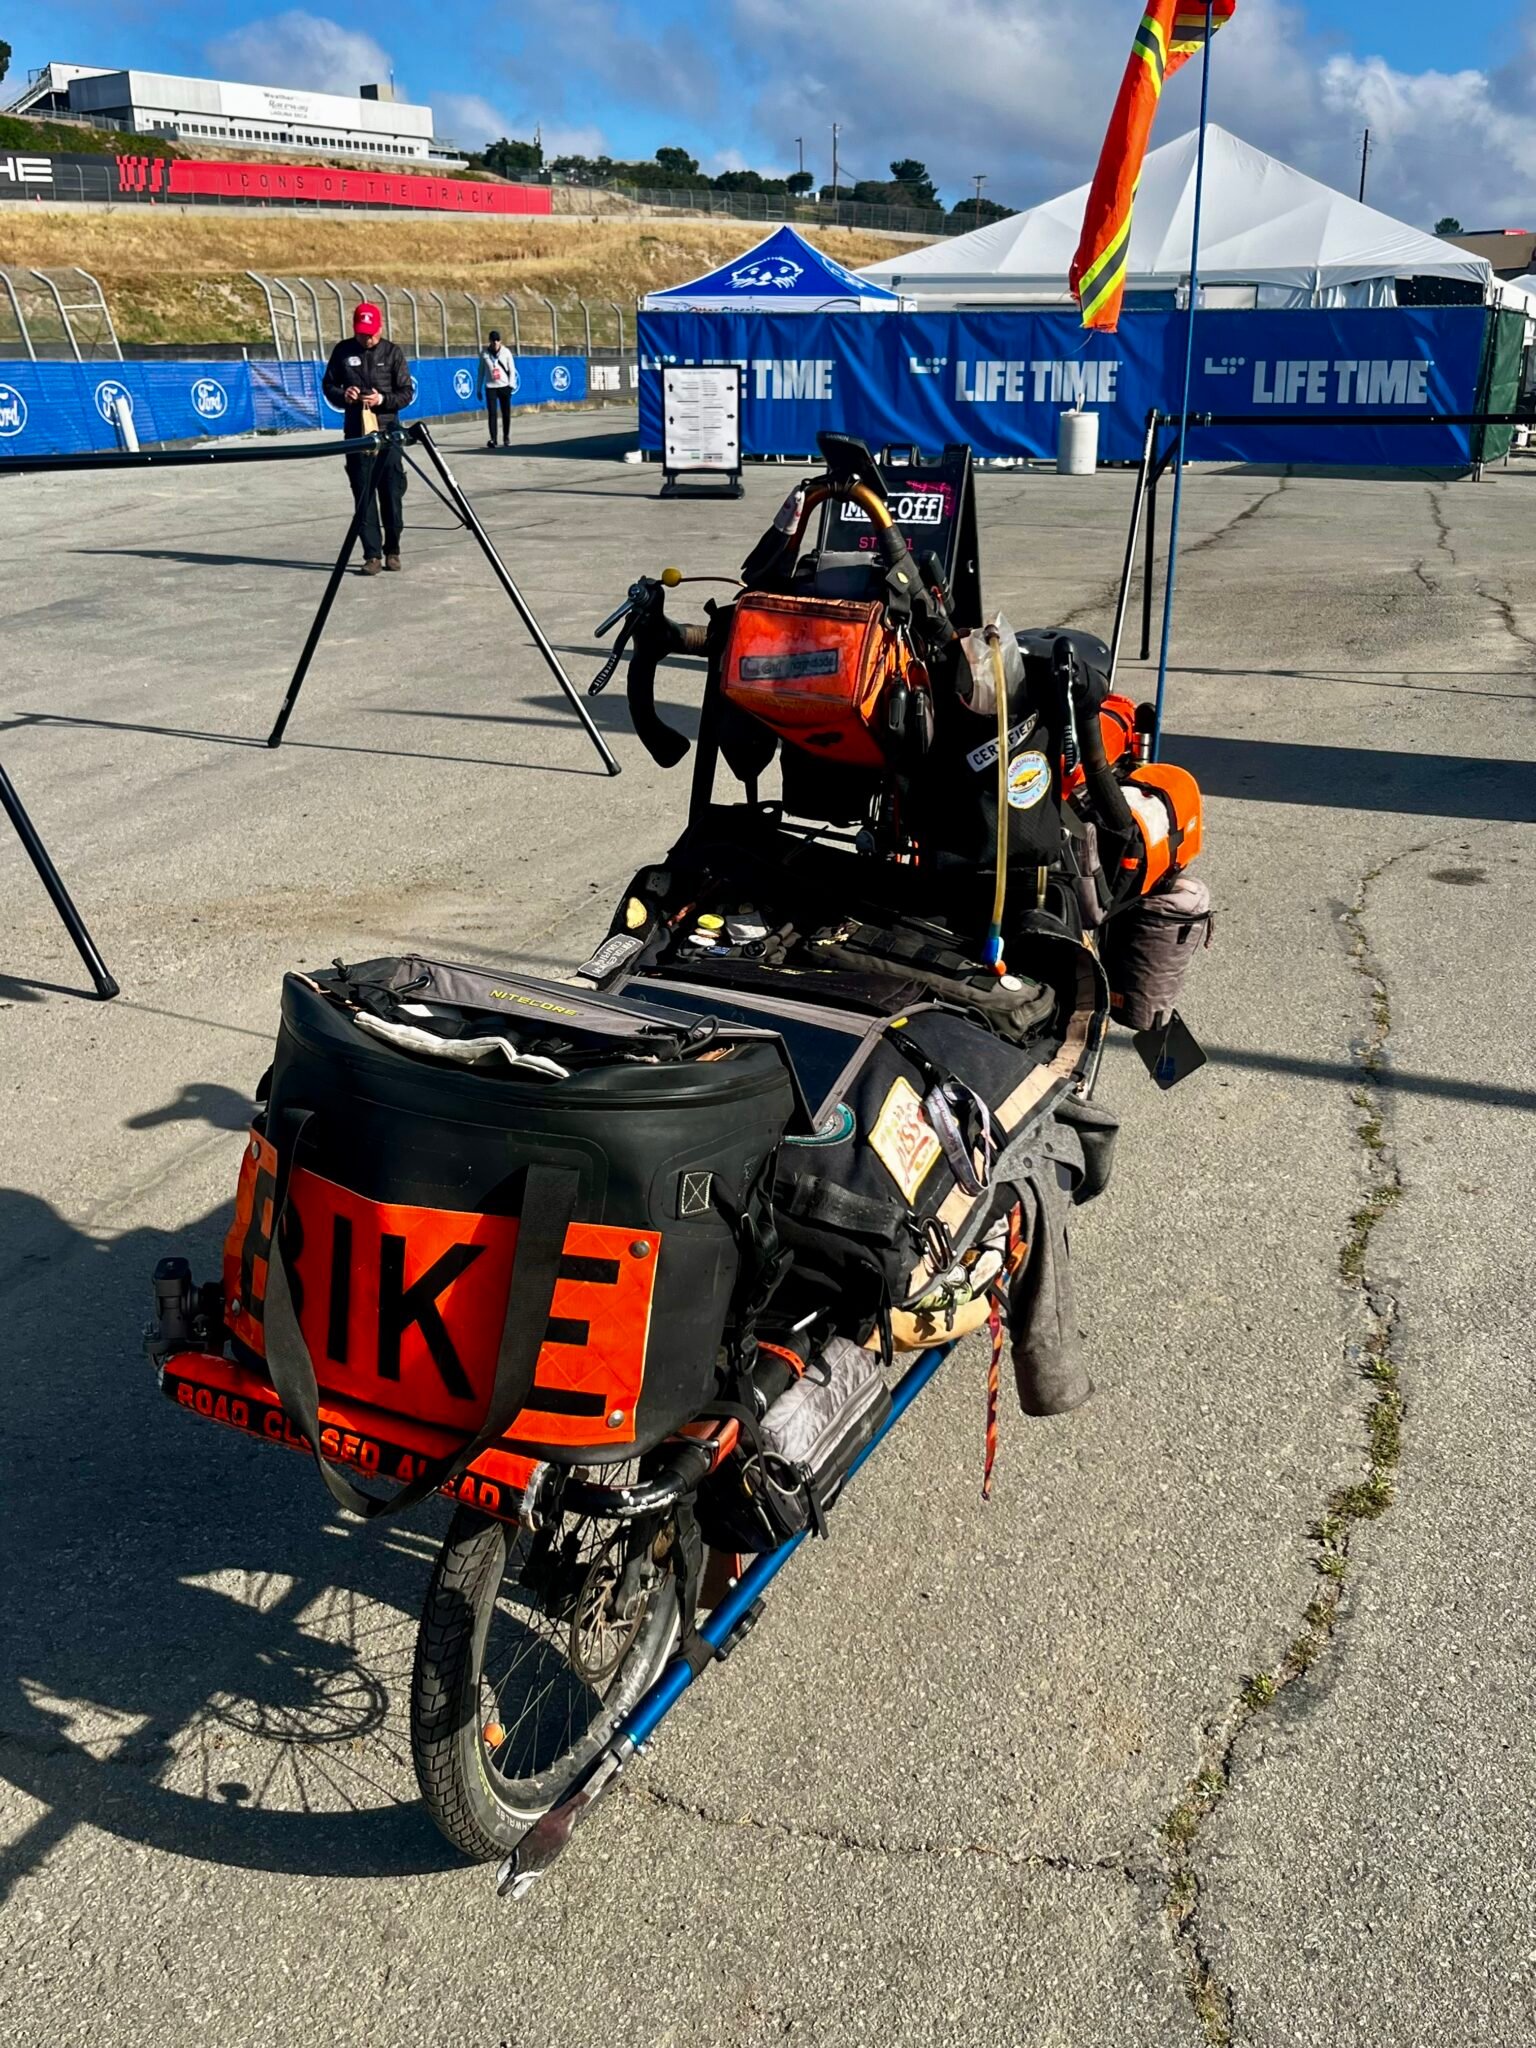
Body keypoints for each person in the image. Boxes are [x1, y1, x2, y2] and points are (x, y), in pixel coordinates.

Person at [321, 301, 415, 574]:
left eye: (372, 332)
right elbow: (329, 385)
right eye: (363, 333)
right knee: (363, 495)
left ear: (380, 328)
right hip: (356, 433)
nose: (368, 337)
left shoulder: (393, 352)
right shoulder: (342, 351)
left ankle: (393, 550)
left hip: (388, 432)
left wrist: (382, 399)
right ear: (355, 329)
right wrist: (343, 395)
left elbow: (406, 392)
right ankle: (372, 555)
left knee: (391, 493)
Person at [478, 328, 516, 447]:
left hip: (504, 386)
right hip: (491, 387)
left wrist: (511, 385)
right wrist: (478, 389)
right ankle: (493, 439)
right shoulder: (485, 354)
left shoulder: (506, 352)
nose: (495, 342)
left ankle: (506, 437)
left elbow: (512, 369)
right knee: (492, 413)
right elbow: (481, 372)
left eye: (497, 340)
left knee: (506, 413)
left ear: (500, 341)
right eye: (493, 340)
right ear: (489, 341)